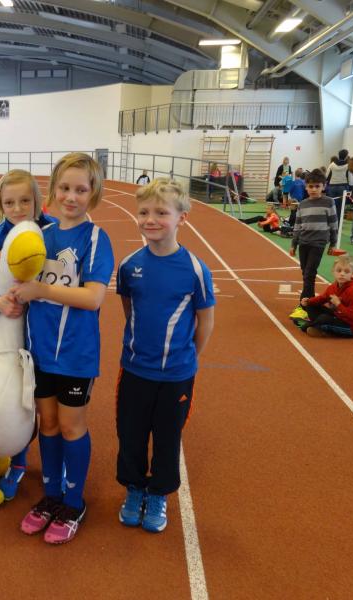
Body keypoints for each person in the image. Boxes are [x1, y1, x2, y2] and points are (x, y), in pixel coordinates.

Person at [11, 153, 114, 545]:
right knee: (48, 424)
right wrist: (2, 258)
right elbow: (17, 268)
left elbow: (93, 297)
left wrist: (41, 289)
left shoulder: (96, 239)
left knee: (71, 426)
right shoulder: (40, 235)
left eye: (81, 190)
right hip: (40, 352)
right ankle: (51, 495)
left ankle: (73, 502)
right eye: (65, 188)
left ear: (93, 194)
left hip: (75, 355)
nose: (72, 197)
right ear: (53, 190)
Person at [115, 178, 215, 533]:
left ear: (181, 218)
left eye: (161, 212)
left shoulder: (195, 269)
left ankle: (158, 493)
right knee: (130, 434)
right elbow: (129, 309)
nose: (150, 219)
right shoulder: (129, 265)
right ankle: (134, 489)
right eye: (143, 212)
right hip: (135, 370)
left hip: (176, 375)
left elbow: (205, 320)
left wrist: (188, 358)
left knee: (167, 437)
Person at [0, 169, 55, 501]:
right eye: (9, 203)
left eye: (25, 201)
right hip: (11, 334)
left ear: (37, 200)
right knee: (17, 400)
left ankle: (54, 467)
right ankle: (18, 461)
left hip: (48, 334)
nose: (18, 209)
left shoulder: (54, 232)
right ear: (0, 205)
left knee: (48, 405)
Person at [289, 169, 338, 301]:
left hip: (318, 242)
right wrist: (294, 244)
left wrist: (333, 243)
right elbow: (297, 225)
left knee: (310, 273)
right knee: (305, 272)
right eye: (311, 186)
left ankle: (305, 303)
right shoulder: (302, 204)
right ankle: (310, 302)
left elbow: (333, 224)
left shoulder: (328, 202)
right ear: (306, 187)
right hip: (303, 242)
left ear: (324, 186)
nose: (314, 189)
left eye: (317, 186)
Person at [299, 254, 353, 338]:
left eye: (346, 271)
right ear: (333, 271)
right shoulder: (333, 287)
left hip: (350, 326)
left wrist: (338, 305)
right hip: (337, 317)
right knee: (311, 305)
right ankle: (317, 325)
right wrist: (308, 301)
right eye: (339, 270)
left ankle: (319, 328)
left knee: (322, 319)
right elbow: (322, 298)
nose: (342, 274)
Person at [326, 150, 351, 224]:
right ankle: (338, 224)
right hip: (343, 187)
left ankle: (331, 223)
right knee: (341, 207)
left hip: (332, 187)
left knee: (332, 206)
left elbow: (326, 176)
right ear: (346, 156)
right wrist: (351, 189)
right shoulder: (348, 165)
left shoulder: (332, 164)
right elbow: (350, 178)